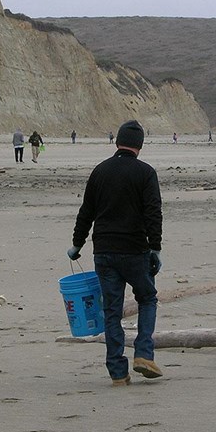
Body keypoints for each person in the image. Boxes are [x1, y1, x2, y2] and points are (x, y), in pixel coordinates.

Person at [67, 120, 163, 386]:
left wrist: (77, 244)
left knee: (111, 311)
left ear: (116, 142)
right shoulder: (145, 173)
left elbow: (86, 212)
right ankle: (144, 354)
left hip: (104, 251)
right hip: (135, 250)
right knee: (147, 299)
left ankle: (117, 372)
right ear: (140, 146)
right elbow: (153, 213)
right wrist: (155, 248)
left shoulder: (100, 171)